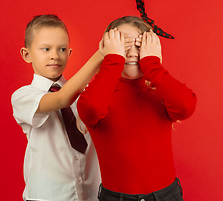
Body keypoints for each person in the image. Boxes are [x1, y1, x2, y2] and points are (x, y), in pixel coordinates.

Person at [77, 16, 197, 201]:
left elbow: (186, 107)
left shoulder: (159, 92)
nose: (132, 53)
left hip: (167, 196)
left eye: (140, 46)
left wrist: (152, 64)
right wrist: (113, 59)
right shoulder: (97, 94)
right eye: (123, 45)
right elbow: (90, 109)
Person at [11, 14, 106, 201]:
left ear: (69, 54)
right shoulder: (23, 96)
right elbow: (62, 99)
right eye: (45, 49)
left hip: (92, 194)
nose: (55, 55)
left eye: (62, 49)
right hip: (48, 195)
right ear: (26, 54)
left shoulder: (86, 93)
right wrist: (101, 54)